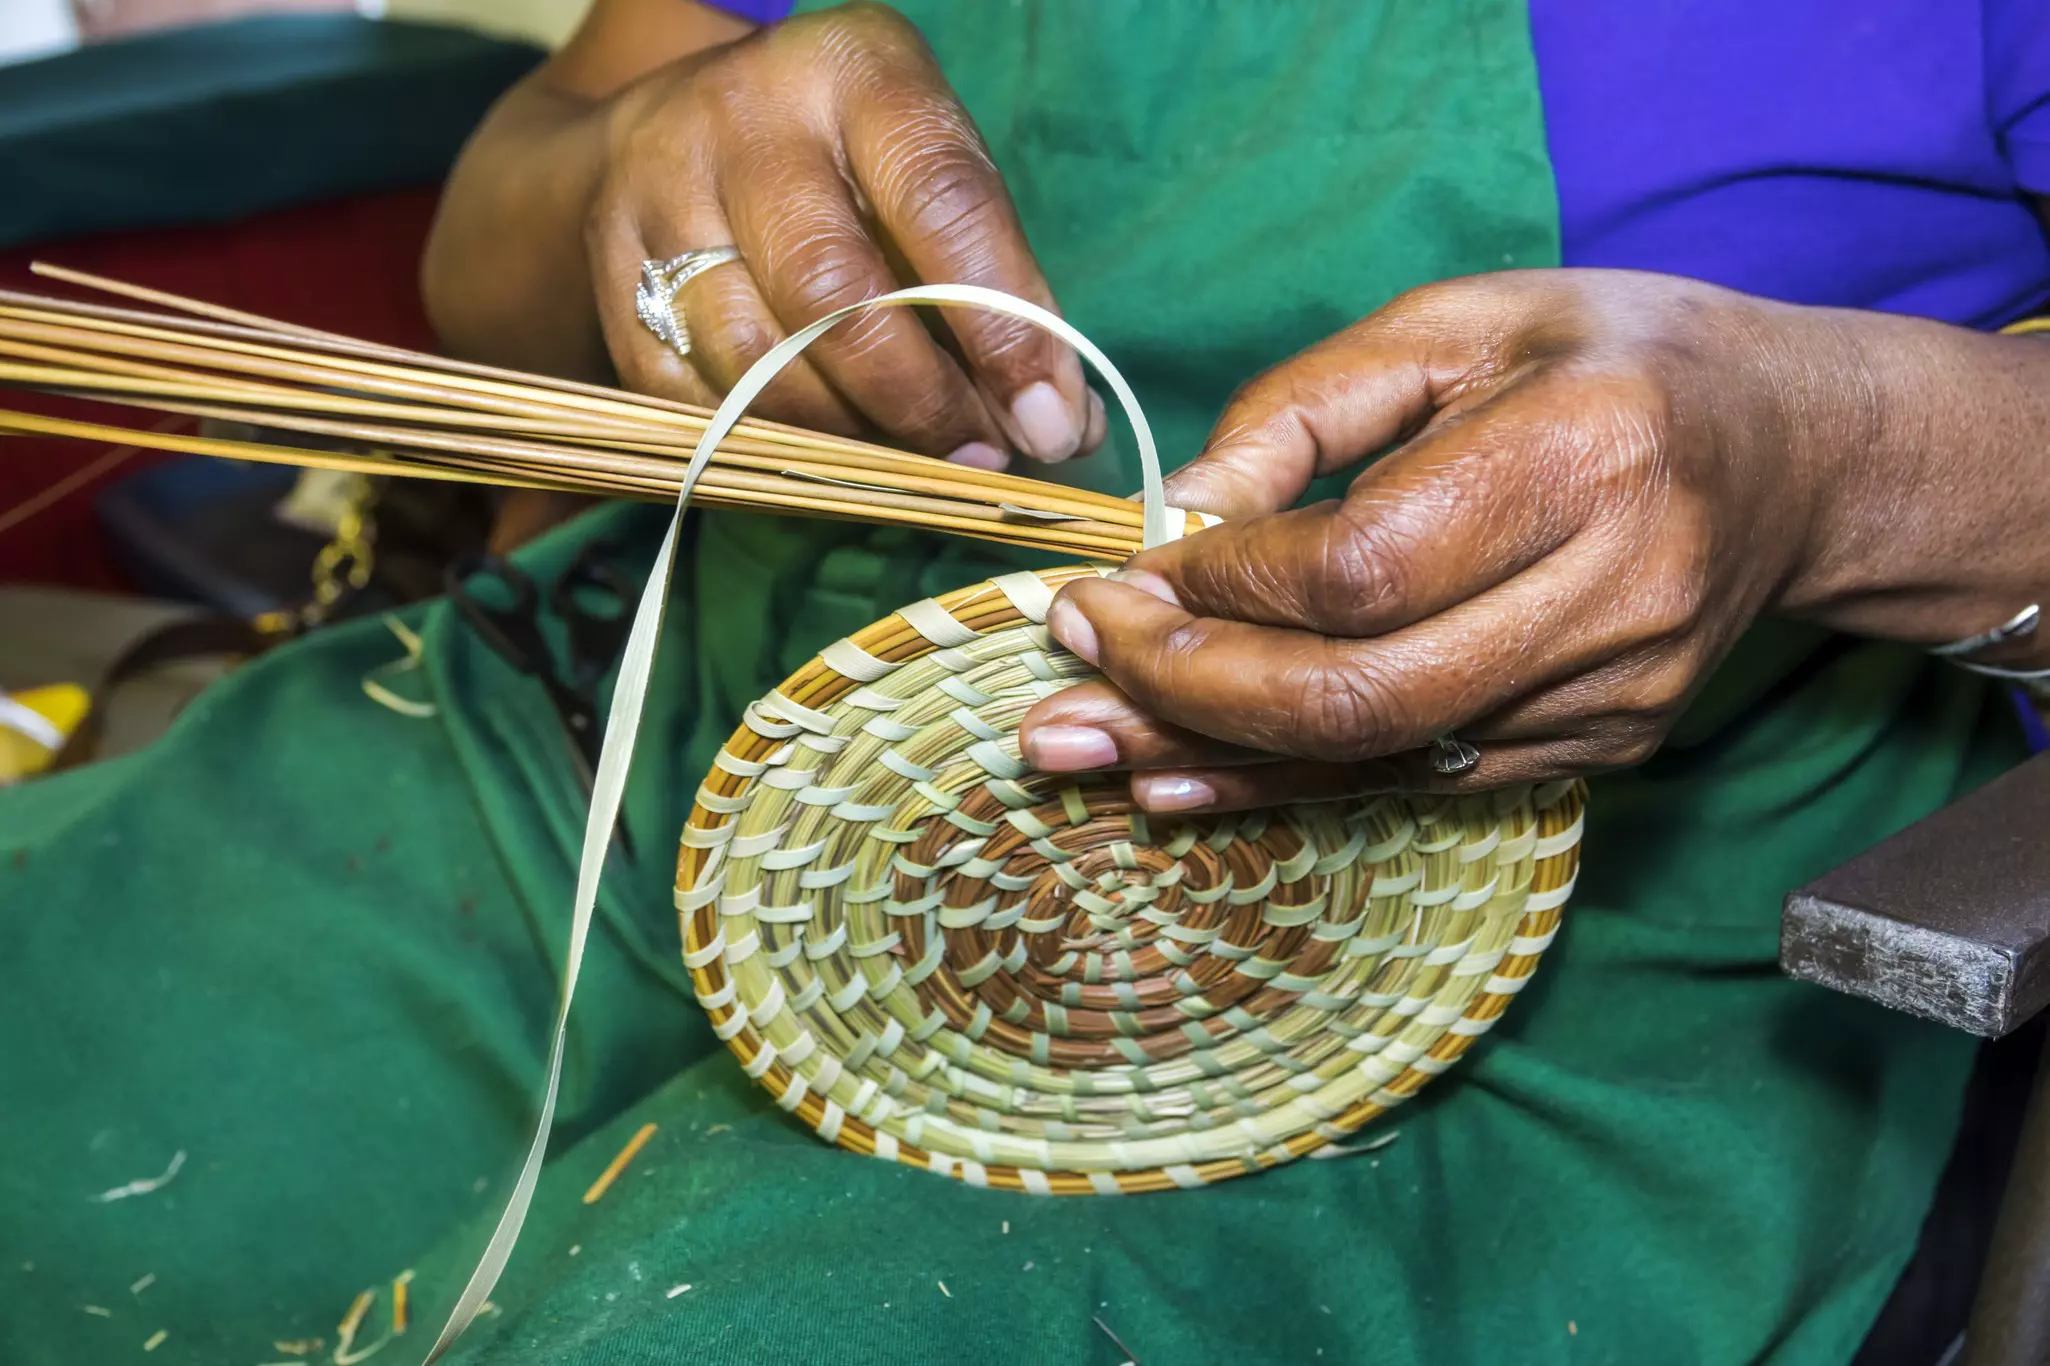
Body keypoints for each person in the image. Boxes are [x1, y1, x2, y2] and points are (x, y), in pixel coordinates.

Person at [4, 3, 2047, 1364]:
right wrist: (642, 167)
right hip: (621, 759)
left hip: (1530, 970)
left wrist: (1838, 452)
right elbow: (493, 246)